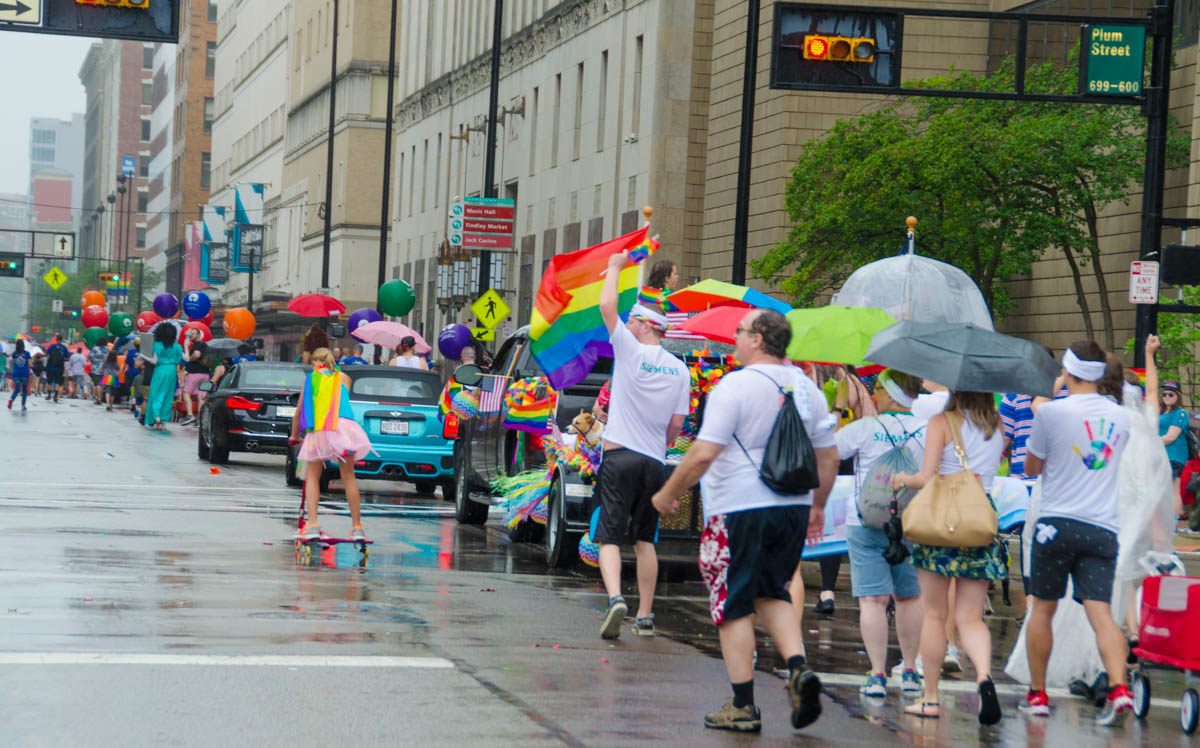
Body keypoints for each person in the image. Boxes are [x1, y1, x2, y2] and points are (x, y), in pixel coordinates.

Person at [650, 308, 838, 733]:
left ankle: (742, 706)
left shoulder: (734, 386)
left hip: (738, 509)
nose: (733, 338)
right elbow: (829, 456)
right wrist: (818, 506)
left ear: (758, 339)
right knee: (773, 591)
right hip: (791, 508)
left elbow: (702, 453)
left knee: (732, 603)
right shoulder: (809, 390)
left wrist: (668, 492)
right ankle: (798, 667)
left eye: (739, 332)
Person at [1020, 340, 1134, 726]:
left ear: (1067, 372)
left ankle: (1037, 694)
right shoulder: (1121, 417)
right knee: (1101, 614)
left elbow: (1030, 468)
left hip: (1055, 525)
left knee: (1043, 609)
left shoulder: (1050, 413)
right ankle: (1119, 688)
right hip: (1103, 527)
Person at [892, 388, 1005, 724]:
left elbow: (925, 477)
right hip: (978, 519)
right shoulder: (996, 427)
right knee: (971, 618)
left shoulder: (942, 421)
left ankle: (930, 699)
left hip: (941, 520)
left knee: (935, 615)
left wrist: (902, 479)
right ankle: (984, 676)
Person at [595, 250, 691, 640]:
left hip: (619, 457)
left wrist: (616, 268)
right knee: (645, 539)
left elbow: (605, 305)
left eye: (634, 320)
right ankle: (646, 615)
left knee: (608, 537)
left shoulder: (630, 350)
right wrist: (658, 443)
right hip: (655, 462)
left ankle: (617, 597)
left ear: (648, 326)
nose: (628, 323)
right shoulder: (680, 369)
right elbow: (676, 426)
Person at [836, 369, 926, 699]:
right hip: (912, 523)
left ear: (889, 395)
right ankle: (911, 670)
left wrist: (839, 408)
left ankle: (876, 674)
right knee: (910, 596)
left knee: (872, 601)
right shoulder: (928, 431)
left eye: (879, 391)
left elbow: (831, 450)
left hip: (864, 521)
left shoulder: (865, 428)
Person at [289, 348, 372, 541]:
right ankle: (357, 528)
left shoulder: (311, 378)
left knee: (312, 476)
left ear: (315, 362)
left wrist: (295, 436)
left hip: (322, 428)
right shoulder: (344, 378)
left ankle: (313, 525)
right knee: (349, 477)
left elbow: (300, 410)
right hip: (347, 429)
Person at [139, 322, 184, 431]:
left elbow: (154, 361)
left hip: (160, 370)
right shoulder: (177, 346)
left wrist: (144, 356)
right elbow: (184, 359)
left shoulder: (157, 345)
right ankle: (163, 420)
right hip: (172, 371)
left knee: (156, 393)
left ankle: (156, 416)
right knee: (168, 395)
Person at [1159, 380, 1190, 522]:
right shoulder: (1161, 413)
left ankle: (1173, 523)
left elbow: (1171, 437)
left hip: (1174, 455)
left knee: (1172, 489)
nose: (1167, 397)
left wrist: (1149, 443)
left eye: (1171, 394)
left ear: (1178, 396)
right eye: (1164, 394)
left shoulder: (1181, 413)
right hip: (1161, 455)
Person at [180, 328, 210, 425]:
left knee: (186, 392)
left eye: (193, 334)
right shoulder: (205, 345)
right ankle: (199, 420)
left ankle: (190, 415)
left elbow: (197, 354)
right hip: (206, 374)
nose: (191, 335)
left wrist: (189, 359)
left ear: (198, 335)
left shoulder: (197, 344)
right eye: (190, 334)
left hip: (194, 373)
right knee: (201, 397)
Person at [7, 340, 31, 411]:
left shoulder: (14, 354)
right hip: (25, 374)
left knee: (17, 389)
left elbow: (14, 363)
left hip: (16, 374)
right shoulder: (27, 353)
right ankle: (23, 406)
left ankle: (12, 399)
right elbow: (30, 364)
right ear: (23, 345)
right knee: (24, 391)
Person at [44, 334, 67, 402]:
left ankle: (49, 395)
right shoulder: (64, 348)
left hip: (51, 367)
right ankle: (56, 396)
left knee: (49, 381)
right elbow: (67, 358)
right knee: (58, 382)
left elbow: (47, 354)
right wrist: (62, 359)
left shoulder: (52, 346)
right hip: (59, 368)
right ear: (62, 340)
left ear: (56, 339)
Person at [89, 337, 109, 404]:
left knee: (97, 384)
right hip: (104, 369)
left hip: (96, 369)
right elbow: (108, 359)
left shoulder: (94, 349)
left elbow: (90, 358)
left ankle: (98, 398)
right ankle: (99, 398)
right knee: (101, 384)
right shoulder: (107, 349)